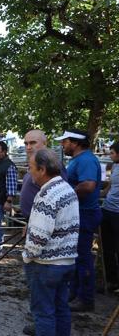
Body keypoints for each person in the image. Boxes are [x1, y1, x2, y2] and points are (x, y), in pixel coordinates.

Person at [23, 148, 79, 336]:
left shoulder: (46, 195)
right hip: (67, 261)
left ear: (42, 169)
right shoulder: (67, 189)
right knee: (61, 309)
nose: (29, 174)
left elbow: (37, 239)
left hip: (46, 265)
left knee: (43, 314)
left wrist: (27, 256)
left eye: (31, 169)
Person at [19, 129, 67, 336]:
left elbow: (54, 206)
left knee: (40, 281)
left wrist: (29, 252)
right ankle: (42, 317)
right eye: (26, 143)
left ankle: (43, 324)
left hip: (44, 234)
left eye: (33, 143)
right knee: (37, 282)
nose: (28, 146)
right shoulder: (35, 164)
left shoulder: (51, 167)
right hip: (33, 223)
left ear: (44, 143)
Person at [58, 129, 101, 313]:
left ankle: (86, 299)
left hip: (85, 214)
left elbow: (88, 185)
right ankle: (73, 292)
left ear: (75, 143)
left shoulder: (86, 160)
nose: (62, 145)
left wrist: (65, 195)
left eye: (65, 142)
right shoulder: (78, 160)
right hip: (77, 213)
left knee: (83, 258)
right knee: (74, 256)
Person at [101, 141, 119, 293]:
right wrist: (100, 194)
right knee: (107, 247)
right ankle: (112, 281)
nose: (110, 155)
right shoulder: (115, 166)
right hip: (108, 209)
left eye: (112, 153)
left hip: (118, 213)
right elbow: (110, 186)